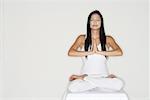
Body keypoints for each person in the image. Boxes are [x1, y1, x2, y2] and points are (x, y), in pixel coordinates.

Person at [67, 10, 124, 93]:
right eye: (92, 20)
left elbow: (119, 52)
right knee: (72, 87)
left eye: (97, 20)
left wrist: (99, 52)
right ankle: (91, 80)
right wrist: (89, 52)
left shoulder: (108, 39)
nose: (95, 22)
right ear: (88, 23)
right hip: (88, 75)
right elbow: (70, 52)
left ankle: (86, 79)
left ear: (101, 22)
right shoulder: (82, 38)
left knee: (119, 84)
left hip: (103, 76)